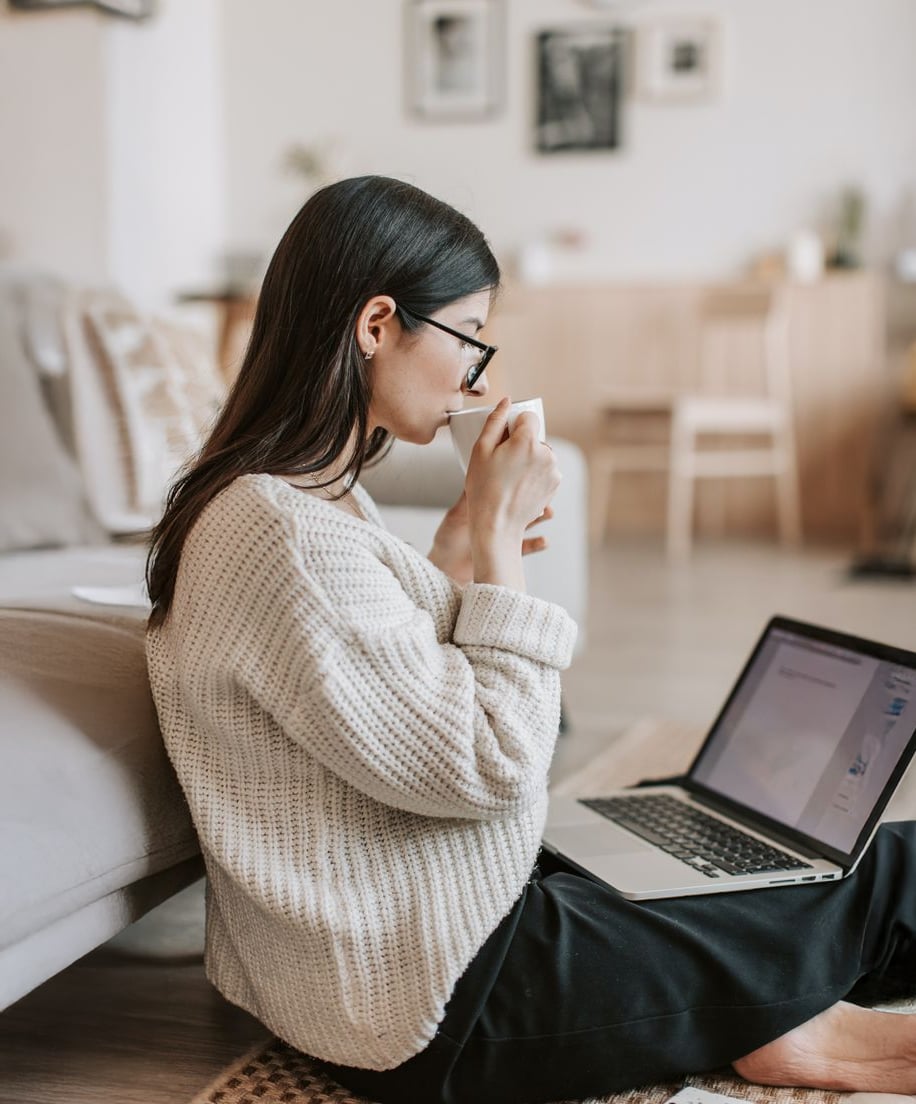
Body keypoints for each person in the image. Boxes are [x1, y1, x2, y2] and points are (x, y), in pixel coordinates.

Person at [145, 175, 916, 1104]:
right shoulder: (280, 532)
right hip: (443, 996)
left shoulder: (288, 502)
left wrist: (459, 545)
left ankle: (765, 1009)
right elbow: (497, 762)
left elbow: (384, 689)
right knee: (868, 884)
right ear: (377, 325)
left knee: (777, 868)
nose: (478, 374)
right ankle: (777, 1017)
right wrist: (504, 551)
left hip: (427, 928)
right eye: (470, 335)